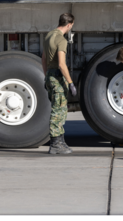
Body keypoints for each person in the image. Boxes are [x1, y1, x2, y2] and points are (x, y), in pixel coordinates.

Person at [42, 13, 77, 155]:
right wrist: (70, 82)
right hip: (57, 77)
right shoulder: (61, 40)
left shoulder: (49, 35)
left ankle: (60, 142)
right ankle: (56, 144)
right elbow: (62, 64)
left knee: (60, 110)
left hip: (50, 75)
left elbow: (43, 59)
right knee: (59, 112)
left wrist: (46, 76)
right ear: (69, 25)